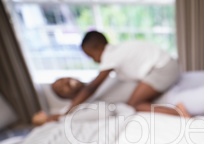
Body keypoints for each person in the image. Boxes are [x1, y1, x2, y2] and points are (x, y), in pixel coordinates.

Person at [38, 30, 181, 123]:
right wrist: (65, 114)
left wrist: (68, 111)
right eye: (61, 89)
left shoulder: (110, 57)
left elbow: (92, 88)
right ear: (66, 98)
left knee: (134, 104)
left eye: (91, 56)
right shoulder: (118, 52)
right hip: (165, 66)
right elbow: (98, 107)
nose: (94, 61)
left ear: (98, 48)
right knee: (133, 104)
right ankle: (177, 113)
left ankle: (178, 113)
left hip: (163, 69)